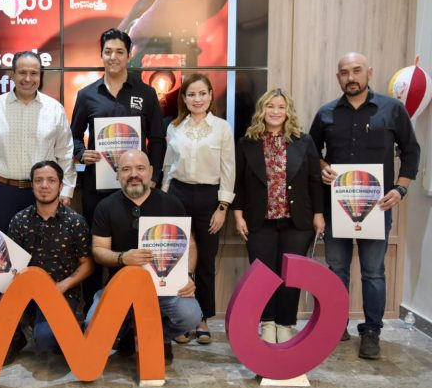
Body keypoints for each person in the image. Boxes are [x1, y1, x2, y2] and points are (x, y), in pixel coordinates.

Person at [309, 52, 420, 359]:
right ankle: (336, 324)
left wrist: (401, 188)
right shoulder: (326, 113)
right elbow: (311, 151)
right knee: (337, 269)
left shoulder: (392, 109)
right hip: (337, 206)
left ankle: (372, 331)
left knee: (373, 272)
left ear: (369, 72)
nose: (351, 77)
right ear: (338, 77)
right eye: (344, 72)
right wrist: (323, 167)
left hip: (377, 208)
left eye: (356, 71)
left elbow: (411, 151)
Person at [70, 28, 166, 313]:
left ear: (129, 54)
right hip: (97, 188)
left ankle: (135, 313)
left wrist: (154, 178)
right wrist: (80, 153)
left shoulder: (146, 93)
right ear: (101, 55)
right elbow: (73, 136)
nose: (113, 57)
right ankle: (93, 312)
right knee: (96, 249)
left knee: (134, 248)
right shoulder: (87, 95)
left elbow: (158, 140)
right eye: (108, 51)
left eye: (119, 52)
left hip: (137, 188)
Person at [86, 149, 202, 362]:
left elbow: (191, 245)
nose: (134, 174)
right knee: (92, 325)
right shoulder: (105, 207)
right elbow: (99, 251)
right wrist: (123, 258)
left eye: (140, 168)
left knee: (191, 315)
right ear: (117, 174)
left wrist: (187, 274)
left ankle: (158, 337)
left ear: (150, 172)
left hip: (165, 288)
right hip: (120, 286)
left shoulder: (171, 203)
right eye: (126, 169)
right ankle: (129, 332)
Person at [234, 88, 325, 343]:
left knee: (291, 275)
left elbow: (315, 180)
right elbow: (238, 182)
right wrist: (238, 215)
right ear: (262, 110)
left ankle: (285, 323)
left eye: (281, 107)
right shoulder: (246, 142)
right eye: (270, 106)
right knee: (263, 276)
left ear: (288, 112)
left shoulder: (303, 141)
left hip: (297, 222)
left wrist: (319, 214)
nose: (275, 111)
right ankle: (267, 322)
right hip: (258, 221)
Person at [161, 73, 234, 344]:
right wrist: (163, 201)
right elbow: (168, 167)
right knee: (176, 259)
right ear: (184, 98)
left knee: (205, 261)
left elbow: (228, 169)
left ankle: (202, 318)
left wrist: (222, 207)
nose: (197, 99)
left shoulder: (222, 128)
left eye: (202, 93)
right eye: (191, 94)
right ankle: (180, 319)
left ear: (211, 95)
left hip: (208, 198)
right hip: (178, 195)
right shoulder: (174, 127)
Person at [0, 51, 75, 232]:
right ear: (12, 75)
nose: (28, 79)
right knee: (8, 246)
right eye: (22, 72)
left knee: (45, 246)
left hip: (45, 191)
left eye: (34, 73)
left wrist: (66, 189)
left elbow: (65, 153)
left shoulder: (54, 109)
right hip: (5, 192)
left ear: (40, 75)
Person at [3, 160, 94, 363]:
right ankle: (17, 337)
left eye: (51, 180)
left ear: (60, 186)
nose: (44, 185)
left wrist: (63, 285)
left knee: (46, 338)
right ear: (32, 185)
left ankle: (64, 332)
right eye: (39, 180)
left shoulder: (75, 222)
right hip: (27, 292)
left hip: (62, 292)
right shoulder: (19, 220)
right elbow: (11, 264)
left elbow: (88, 264)